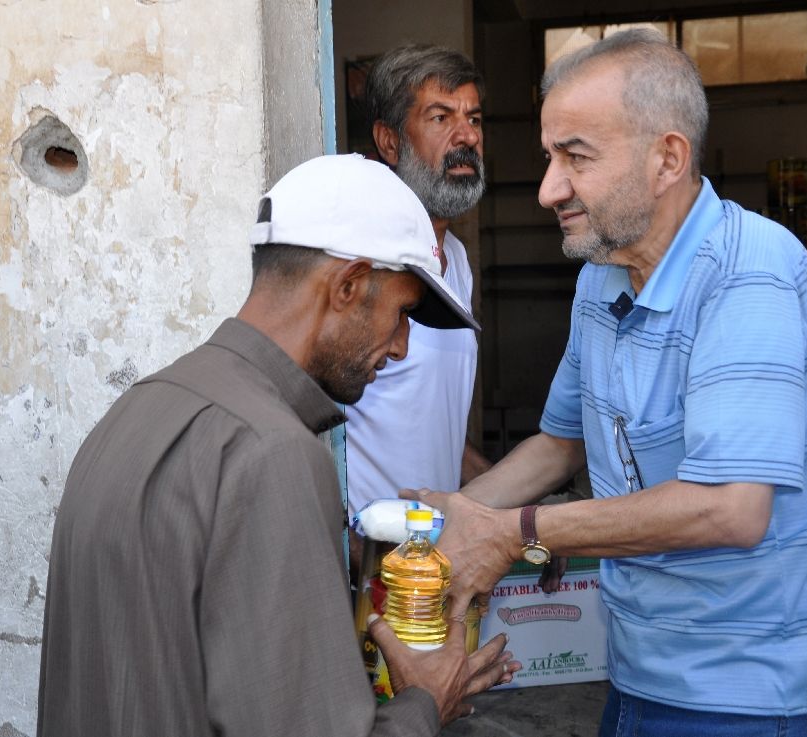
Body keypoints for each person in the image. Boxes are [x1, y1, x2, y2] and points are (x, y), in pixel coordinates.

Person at [404, 29, 807, 736]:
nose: (549, 189)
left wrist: (515, 532)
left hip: (750, 695)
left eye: (576, 157)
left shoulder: (748, 274)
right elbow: (558, 446)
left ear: (667, 158)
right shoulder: (602, 278)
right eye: (549, 158)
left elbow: (731, 508)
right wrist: (448, 523)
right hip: (639, 673)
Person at [36, 154, 517, 737]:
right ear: (347, 286)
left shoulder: (139, 408)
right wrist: (424, 700)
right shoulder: (273, 452)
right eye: (402, 313)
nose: (401, 349)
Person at [344, 44, 491, 532]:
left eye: (473, 117)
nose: (466, 135)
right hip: (373, 571)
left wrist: (501, 515)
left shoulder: (458, 263)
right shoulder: (361, 263)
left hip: (433, 569)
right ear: (389, 142)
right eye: (440, 117)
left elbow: (432, 431)